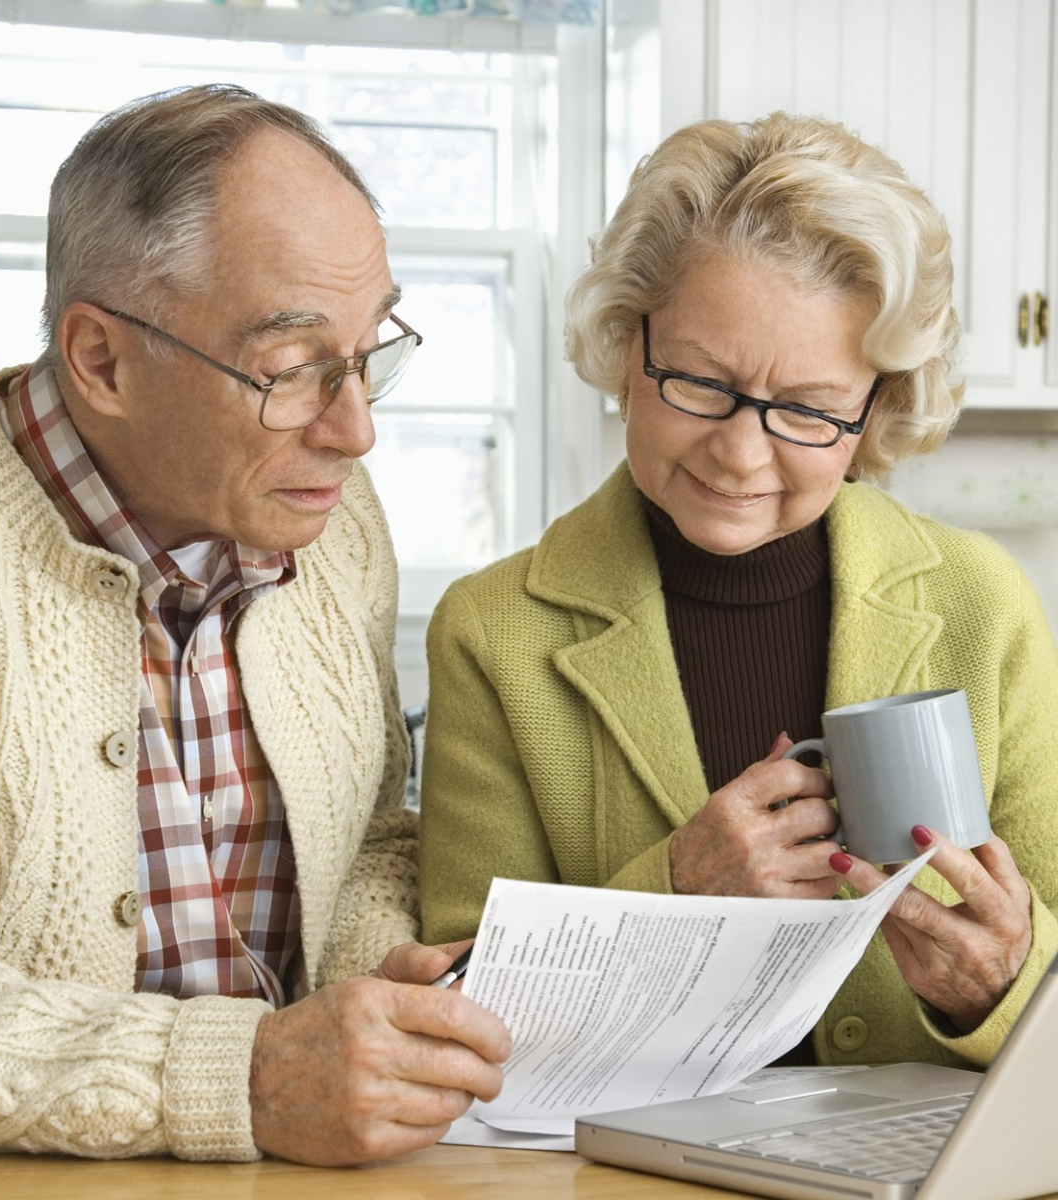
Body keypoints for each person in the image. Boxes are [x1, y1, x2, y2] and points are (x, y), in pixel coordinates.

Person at [0, 84, 509, 1165]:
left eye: (370, 352)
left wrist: (373, 989)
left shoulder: (334, 528)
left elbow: (366, 841)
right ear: (102, 359)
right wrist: (241, 1078)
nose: (355, 432)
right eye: (296, 369)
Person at [419, 112, 1058, 1071]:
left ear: (875, 407)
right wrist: (678, 892)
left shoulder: (981, 602)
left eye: (805, 409)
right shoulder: (494, 632)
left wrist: (1002, 987)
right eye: (701, 382)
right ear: (627, 345)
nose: (740, 452)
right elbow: (458, 1012)